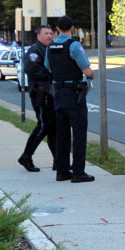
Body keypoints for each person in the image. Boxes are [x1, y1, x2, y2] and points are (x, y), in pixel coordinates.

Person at [45, 15, 96, 183]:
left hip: (58, 92)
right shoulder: (74, 46)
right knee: (79, 132)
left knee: (62, 133)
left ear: (57, 29)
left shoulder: (51, 46)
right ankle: (78, 172)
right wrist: (91, 75)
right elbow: (86, 69)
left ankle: (62, 171)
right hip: (74, 94)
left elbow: (48, 67)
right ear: (72, 28)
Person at [17, 25, 57, 172]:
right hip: (40, 93)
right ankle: (26, 157)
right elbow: (31, 69)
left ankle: (58, 161)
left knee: (53, 127)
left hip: (50, 93)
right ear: (39, 35)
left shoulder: (50, 49)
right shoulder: (35, 50)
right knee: (44, 125)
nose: (49, 36)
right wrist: (50, 72)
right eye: (46, 33)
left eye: (51, 33)